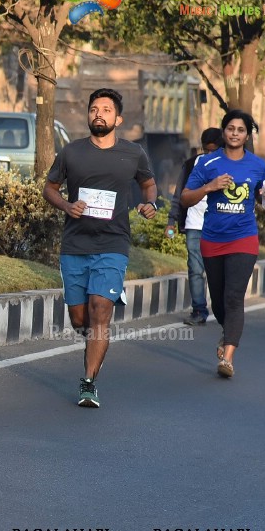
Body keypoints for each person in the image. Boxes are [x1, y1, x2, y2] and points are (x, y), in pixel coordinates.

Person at [42, 88, 157, 408]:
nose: (99, 113)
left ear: (118, 118)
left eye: (106, 109)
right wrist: (66, 205)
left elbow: (148, 184)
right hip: (75, 245)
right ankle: (95, 341)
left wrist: (151, 204)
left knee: (100, 312)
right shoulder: (72, 152)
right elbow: (49, 188)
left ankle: (89, 382)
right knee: (80, 320)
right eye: (94, 108)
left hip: (113, 244)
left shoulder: (133, 153)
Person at [181, 109, 265, 378]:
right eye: (230, 128)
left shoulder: (258, 165)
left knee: (234, 297)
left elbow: (262, 200)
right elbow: (186, 198)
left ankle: (228, 358)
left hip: (244, 237)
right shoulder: (207, 163)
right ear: (224, 132)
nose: (235, 133)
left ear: (247, 135)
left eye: (241, 130)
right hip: (212, 238)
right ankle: (227, 332)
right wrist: (209, 187)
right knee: (220, 303)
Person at [166, 127, 223, 326]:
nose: (209, 155)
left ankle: (223, 308)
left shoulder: (229, 166)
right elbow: (179, 194)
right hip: (194, 225)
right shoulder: (191, 165)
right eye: (206, 150)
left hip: (220, 227)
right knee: (195, 269)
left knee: (218, 271)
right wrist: (171, 221)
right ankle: (199, 309)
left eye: (213, 151)